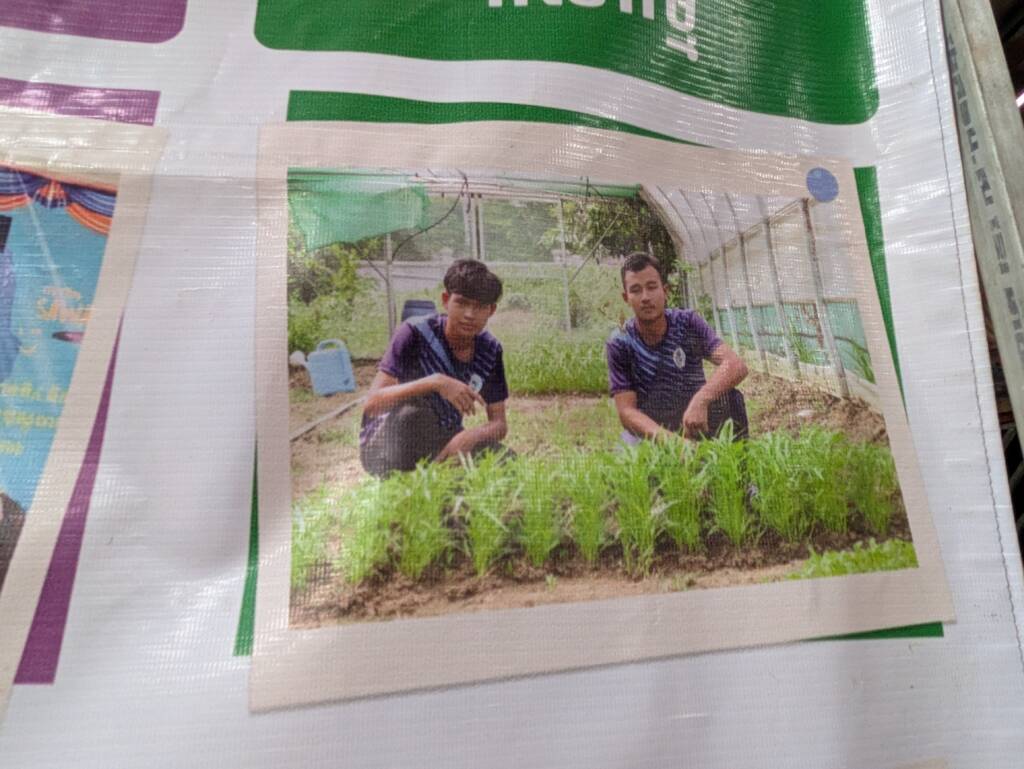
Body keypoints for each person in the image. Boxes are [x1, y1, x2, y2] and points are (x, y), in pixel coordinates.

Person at [359, 259, 509, 476]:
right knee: (414, 416)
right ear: (446, 301)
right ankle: (410, 479)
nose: (469, 314)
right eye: (462, 303)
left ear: (491, 310)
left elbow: (499, 424)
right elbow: (373, 404)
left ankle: (438, 471)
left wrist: (469, 437)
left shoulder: (490, 350)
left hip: (444, 437)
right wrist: (436, 382)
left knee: (506, 461)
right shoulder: (415, 333)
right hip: (387, 442)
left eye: (479, 307)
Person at [606, 252, 749, 442]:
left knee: (730, 397)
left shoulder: (687, 323)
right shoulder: (620, 341)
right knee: (631, 454)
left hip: (693, 419)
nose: (645, 297)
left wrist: (701, 400)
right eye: (636, 290)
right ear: (626, 297)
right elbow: (626, 412)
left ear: (665, 291)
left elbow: (735, 365)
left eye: (652, 287)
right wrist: (673, 442)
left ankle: (737, 458)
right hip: (651, 429)